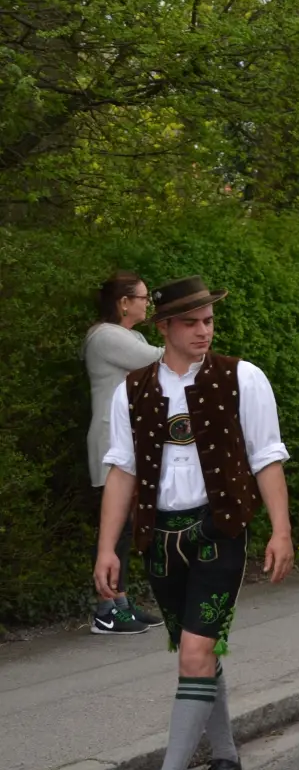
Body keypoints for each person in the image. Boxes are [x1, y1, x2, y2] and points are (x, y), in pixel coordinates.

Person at [95, 276, 293, 770]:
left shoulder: (242, 378)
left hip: (219, 532)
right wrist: (106, 548)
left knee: (193, 654)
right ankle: (226, 762)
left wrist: (281, 530)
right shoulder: (132, 390)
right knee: (195, 654)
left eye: (208, 321)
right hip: (159, 538)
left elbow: (267, 457)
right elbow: (122, 471)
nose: (204, 331)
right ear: (164, 328)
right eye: (192, 322)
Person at [83, 271, 166, 634]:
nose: (148, 303)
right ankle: (105, 609)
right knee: (114, 529)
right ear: (123, 303)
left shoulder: (129, 335)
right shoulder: (106, 337)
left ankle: (120, 602)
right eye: (143, 298)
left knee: (127, 527)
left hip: (128, 441)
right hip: (109, 441)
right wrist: (180, 332)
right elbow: (161, 359)